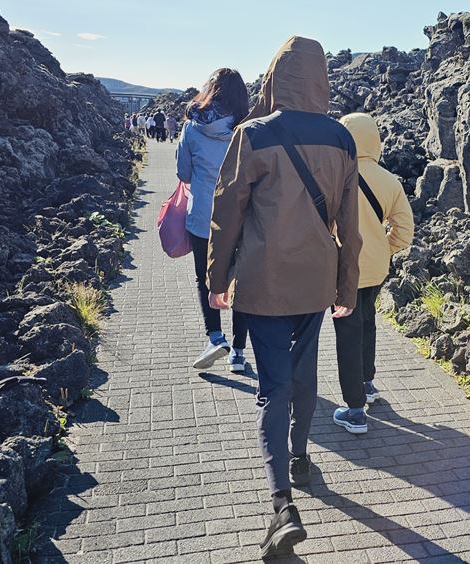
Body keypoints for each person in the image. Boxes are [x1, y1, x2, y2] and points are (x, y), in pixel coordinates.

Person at [206, 36, 361, 558]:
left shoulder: (253, 134)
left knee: (271, 386)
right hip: (315, 282)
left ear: (274, 76)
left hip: (262, 281)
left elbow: (226, 213)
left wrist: (216, 279)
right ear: (322, 78)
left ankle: (281, 506)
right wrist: (346, 286)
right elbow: (350, 223)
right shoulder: (341, 138)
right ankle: (299, 456)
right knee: (303, 371)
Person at [331, 113, 414, 434]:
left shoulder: (335, 176)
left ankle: (355, 411)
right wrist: (385, 248)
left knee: (347, 331)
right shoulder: (389, 180)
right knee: (367, 321)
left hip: (343, 269)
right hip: (377, 267)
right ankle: (366, 383)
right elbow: (404, 232)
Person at [178, 69, 252, 374]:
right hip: (241, 217)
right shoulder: (247, 129)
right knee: (241, 281)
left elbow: (183, 174)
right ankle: (238, 352)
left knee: (204, 278)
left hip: (202, 218)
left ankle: (214, 337)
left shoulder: (192, 129)